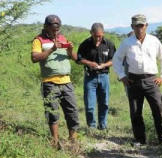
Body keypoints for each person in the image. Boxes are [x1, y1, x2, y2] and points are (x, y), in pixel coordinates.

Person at [112, 14, 162, 145]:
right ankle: (140, 139)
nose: (139, 28)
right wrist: (122, 76)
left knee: (158, 110)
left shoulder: (154, 41)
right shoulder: (127, 43)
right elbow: (116, 60)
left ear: (146, 26)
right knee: (135, 112)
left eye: (141, 25)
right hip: (133, 81)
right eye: (136, 26)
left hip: (152, 81)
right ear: (132, 27)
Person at [31, 15, 79, 149]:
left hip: (66, 81)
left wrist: (70, 50)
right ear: (46, 27)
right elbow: (34, 58)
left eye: (57, 29)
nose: (55, 32)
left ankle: (73, 139)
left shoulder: (62, 37)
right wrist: (52, 48)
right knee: (52, 112)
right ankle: (55, 141)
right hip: (49, 82)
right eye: (53, 29)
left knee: (72, 111)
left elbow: (75, 58)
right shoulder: (38, 40)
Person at [77, 23, 116, 130]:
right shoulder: (85, 44)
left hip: (104, 76)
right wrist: (89, 63)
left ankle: (103, 126)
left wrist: (104, 65)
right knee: (90, 105)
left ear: (103, 33)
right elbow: (79, 59)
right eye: (95, 36)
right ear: (91, 33)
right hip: (90, 77)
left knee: (104, 103)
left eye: (100, 36)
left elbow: (114, 60)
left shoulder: (109, 44)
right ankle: (92, 127)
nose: (98, 38)